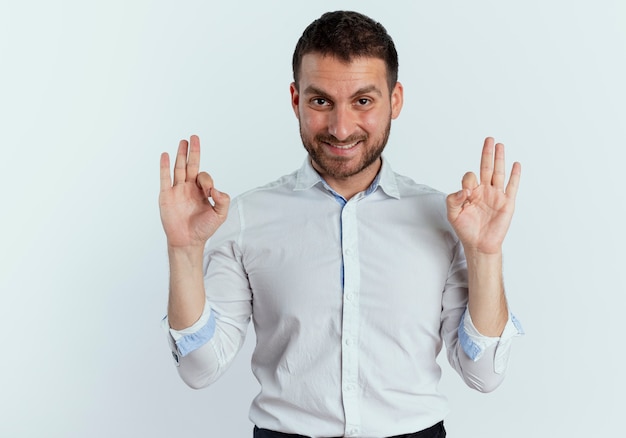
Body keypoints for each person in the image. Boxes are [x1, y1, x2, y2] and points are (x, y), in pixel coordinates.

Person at [159, 10, 523, 438]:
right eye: (321, 101)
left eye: (363, 101)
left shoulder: (446, 220)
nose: (341, 127)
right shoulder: (245, 217)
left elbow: (483, 374)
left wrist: (485, 255)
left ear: (396, 100)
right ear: (296, 100)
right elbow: (199, 369)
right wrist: (184, 252)